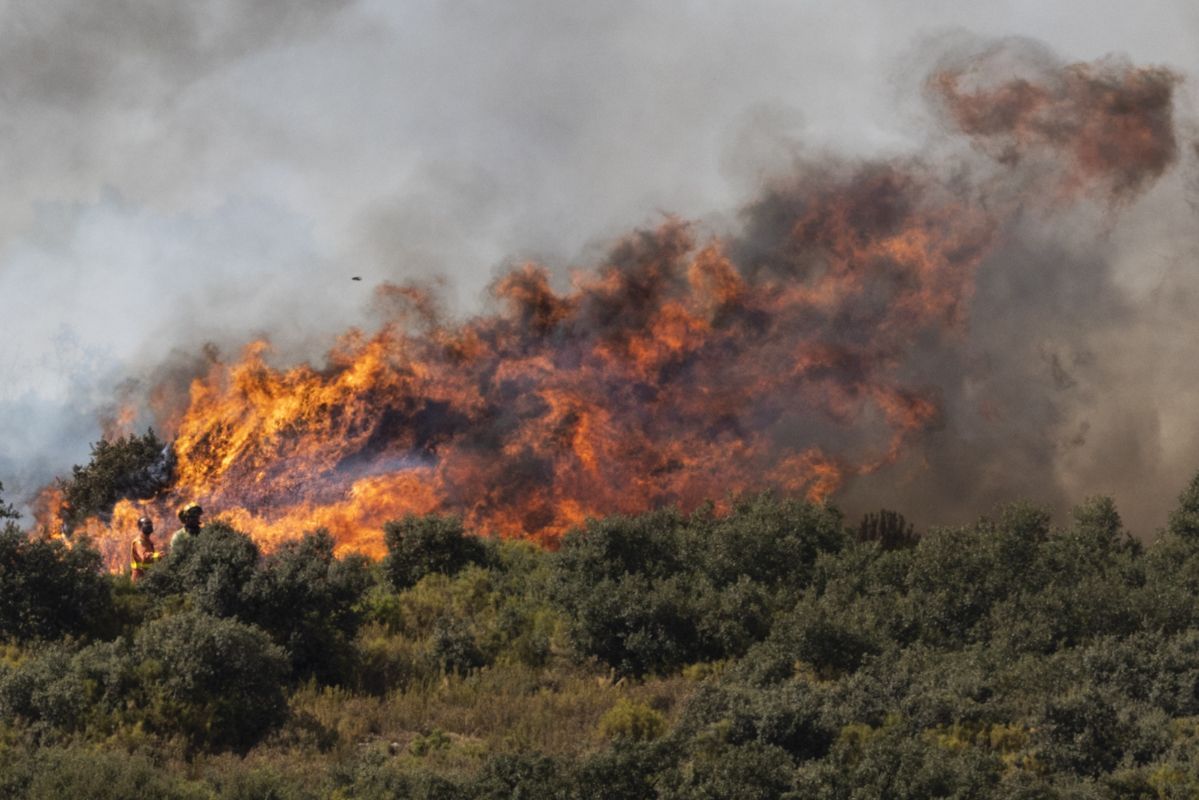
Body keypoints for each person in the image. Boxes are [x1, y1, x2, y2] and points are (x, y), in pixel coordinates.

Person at [130, 516, 163, 583]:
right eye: (146, 524)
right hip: (139, 578)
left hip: (146, 576)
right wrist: (158, 556)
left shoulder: (147, 541)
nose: (149, 526)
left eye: (150, 524)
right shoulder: (139, 542)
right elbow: (144, 558)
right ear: (140, 527)